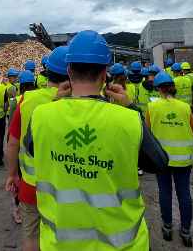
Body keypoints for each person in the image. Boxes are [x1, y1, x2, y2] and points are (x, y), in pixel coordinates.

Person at [27, 30, 169, 250]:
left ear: (69, 70)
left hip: (60, 244)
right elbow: (159, 162)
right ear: (105, 74)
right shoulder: (129, 119)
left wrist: (56, 102)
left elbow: (33, 148)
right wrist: (130, 107)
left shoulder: (41, 115)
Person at [5, 47, 70, 251]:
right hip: (66, 185)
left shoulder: (27, 100)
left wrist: (12, 174)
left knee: (31, 235)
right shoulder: (79, 100)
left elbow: (13, 143)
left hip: (31, 183)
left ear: (46, 71)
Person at [146, 71, 193, 248]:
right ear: (172, 88)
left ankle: (167, 227)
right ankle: (185, 230)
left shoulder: (152, 107)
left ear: (158, 89)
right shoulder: (184, 106)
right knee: (184, 194)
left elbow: (147, 131)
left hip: (161, 159)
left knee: (165, 192)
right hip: (183, 159)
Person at [6, 69, 37, 226]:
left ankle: (17, 209)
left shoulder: (16, 101)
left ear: (20, 85)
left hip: (19, 148)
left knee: (18, 179)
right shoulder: (42, 100)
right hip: (34, 149)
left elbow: (11, 127)